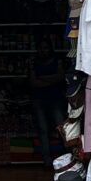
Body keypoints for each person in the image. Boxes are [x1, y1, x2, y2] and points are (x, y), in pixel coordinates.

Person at [29, 38, 65, 167]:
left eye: (45, 48)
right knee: (43, 129)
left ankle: (66, 156)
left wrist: (42, 79)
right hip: (39, 100)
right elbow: (33, 82)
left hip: (55, 99)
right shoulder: (34, 62)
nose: (43, 51)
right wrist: (52, 79)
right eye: (41, 48)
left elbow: (61, 77)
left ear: (50, 49)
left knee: (61, 128)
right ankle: (47, 160)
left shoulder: (57, 61)